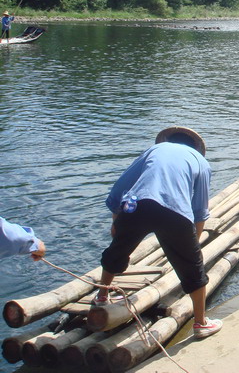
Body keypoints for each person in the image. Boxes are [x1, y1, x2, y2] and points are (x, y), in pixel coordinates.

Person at [96, 126, 223, 339]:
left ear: (168, 140)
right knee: (193, 268)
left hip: (137, 205)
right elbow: (200, 211)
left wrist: (117, 222)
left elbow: (120, 187)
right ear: (195, 147)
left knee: (116, 252)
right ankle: (200, 323)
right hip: (174, 214)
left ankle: (101, 296)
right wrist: (193, 245)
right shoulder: (201, 162)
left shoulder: (154, 151)